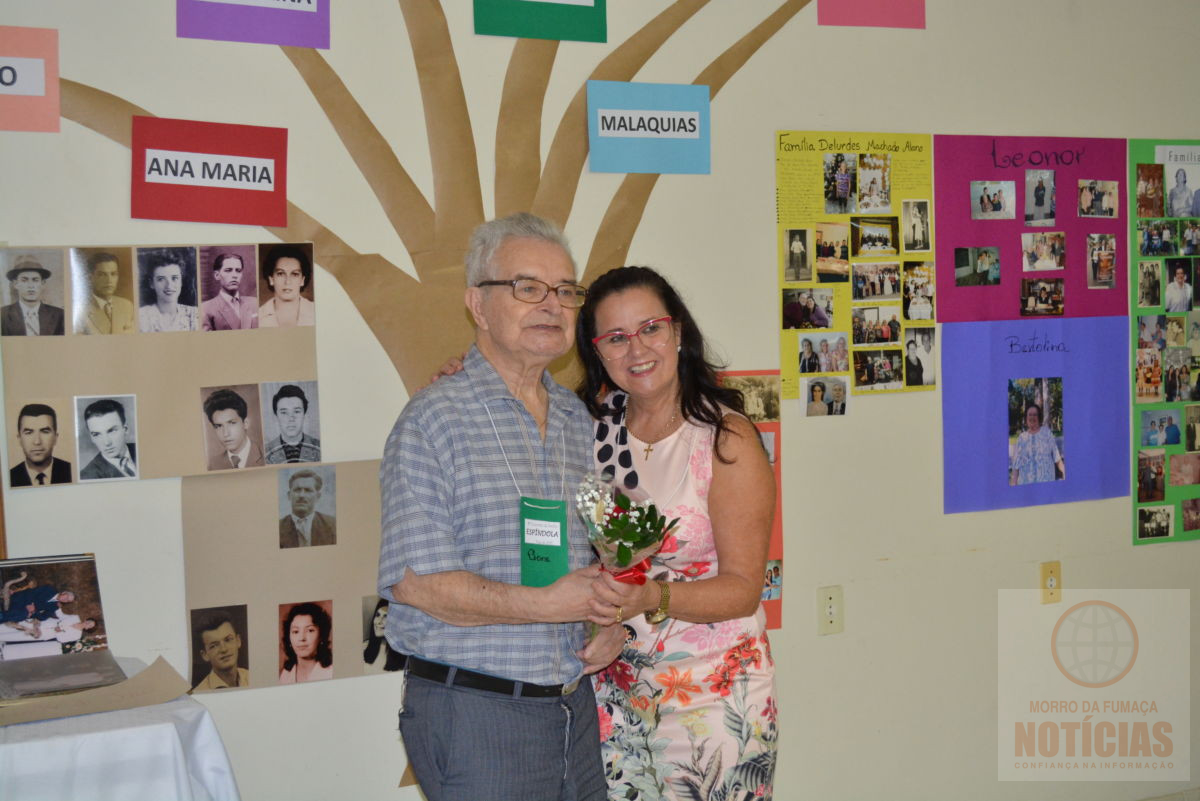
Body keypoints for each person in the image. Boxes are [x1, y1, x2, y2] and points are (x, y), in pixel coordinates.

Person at [378, 213, 622, 801]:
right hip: (477, 712)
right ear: (477, 305)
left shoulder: (576, 421)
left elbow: (606, 546)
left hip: (572, 708)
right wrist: (545, 605)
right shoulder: (433, 419)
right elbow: (416, 584)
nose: (552, 305)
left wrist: (610, 621)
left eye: (566, 291)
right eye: (527, 287)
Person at [578, 266, 777, 800]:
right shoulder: (589, 430)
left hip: (712, 698)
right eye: (615, 337)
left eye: (650, 328)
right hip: (615, 699)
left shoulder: (723, 437)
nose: (636, 349)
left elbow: (742, 588)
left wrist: (651, 597)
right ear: (598, 352)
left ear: (678, 332)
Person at [9, 403, 72, 486]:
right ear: (19, 439)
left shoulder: (70, 471)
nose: (37, 441)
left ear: (55, 438)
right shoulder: (9, 478)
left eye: (45, 432)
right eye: (29, 432)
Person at [1, 257, 64, 336]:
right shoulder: (3, 314)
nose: (31, 286)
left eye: (35, 280)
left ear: (43, 284)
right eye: (24, 280)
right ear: (15, 284)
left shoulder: (59, 315)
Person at [203, 388, 264, 470]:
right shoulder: (213, 465)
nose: (226, 434)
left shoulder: (267, 457)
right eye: (219, 426)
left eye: (232, 423)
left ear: (245, 423)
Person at [78, 252, 135, 335]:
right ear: (90, 278)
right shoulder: (80, 311)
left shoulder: (127, 305)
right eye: (102, 275)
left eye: (113, 274)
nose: (109, 280)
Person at [79, 398, 137, 480]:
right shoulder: (87, 476)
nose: (106, 443)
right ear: (92, 438)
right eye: (97, 434)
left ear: (126, 429)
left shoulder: (143, 449)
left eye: (112, 431)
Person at [259, 245, 315, 327]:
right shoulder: (259, 316)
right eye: (280, 274)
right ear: (271, 279)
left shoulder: (316, 311)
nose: (287, 282)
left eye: (295, 274)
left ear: (302, 280)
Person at [139, 253, 198, 332]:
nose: (169, 285)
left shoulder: (194, 315)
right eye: (161, 279)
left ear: (181, 281)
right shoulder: (141, 317)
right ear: (151, 284)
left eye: (174, 278)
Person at [279, 469, 336, 548]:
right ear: (289, 495)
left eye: (308, 490)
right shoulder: (278, 528)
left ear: (318, 496)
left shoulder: (332, 525)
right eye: (297, 490)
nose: (301, 495)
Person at [264, 384, 321, 464]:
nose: (291, 419)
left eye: (297, 411)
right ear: (276, 417)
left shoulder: (320, 448)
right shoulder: (265, 453)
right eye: (284, 413)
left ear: (304, 415)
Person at [192, 613, 249, 691]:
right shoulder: (200, 693)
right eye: (214, 646)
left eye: (228, 640)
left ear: (238, 641)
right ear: (205, 655)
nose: (224, 649)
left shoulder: (252, 676)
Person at [278, 602, 333, 684]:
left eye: (310, 630)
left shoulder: (331, 672)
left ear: (321, 636)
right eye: (296, 631)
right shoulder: (286, 674)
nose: (302, 638)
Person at [201, 253, 257, 331]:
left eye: (238, 271)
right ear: (217, 275)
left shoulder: (254, 303)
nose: (234, 275)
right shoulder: (205, 308)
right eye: (228, 270)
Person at [1010, 404, 1064, 485]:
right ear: (1026, 418)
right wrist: (1013, 485)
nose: (1032, 417)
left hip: (1046, 484)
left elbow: (1057, 458)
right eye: (1030, 415)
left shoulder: (1047, 433)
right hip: (1026, 486)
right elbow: (1015, 467)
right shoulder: (1021, 438)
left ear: (1039, 417)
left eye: (1035, 415)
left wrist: (1065, 475)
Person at [362, 598, 404, 673]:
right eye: (377, 615)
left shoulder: (404, 652)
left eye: (386, 616)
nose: (379, 622)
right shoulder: (363, 647)